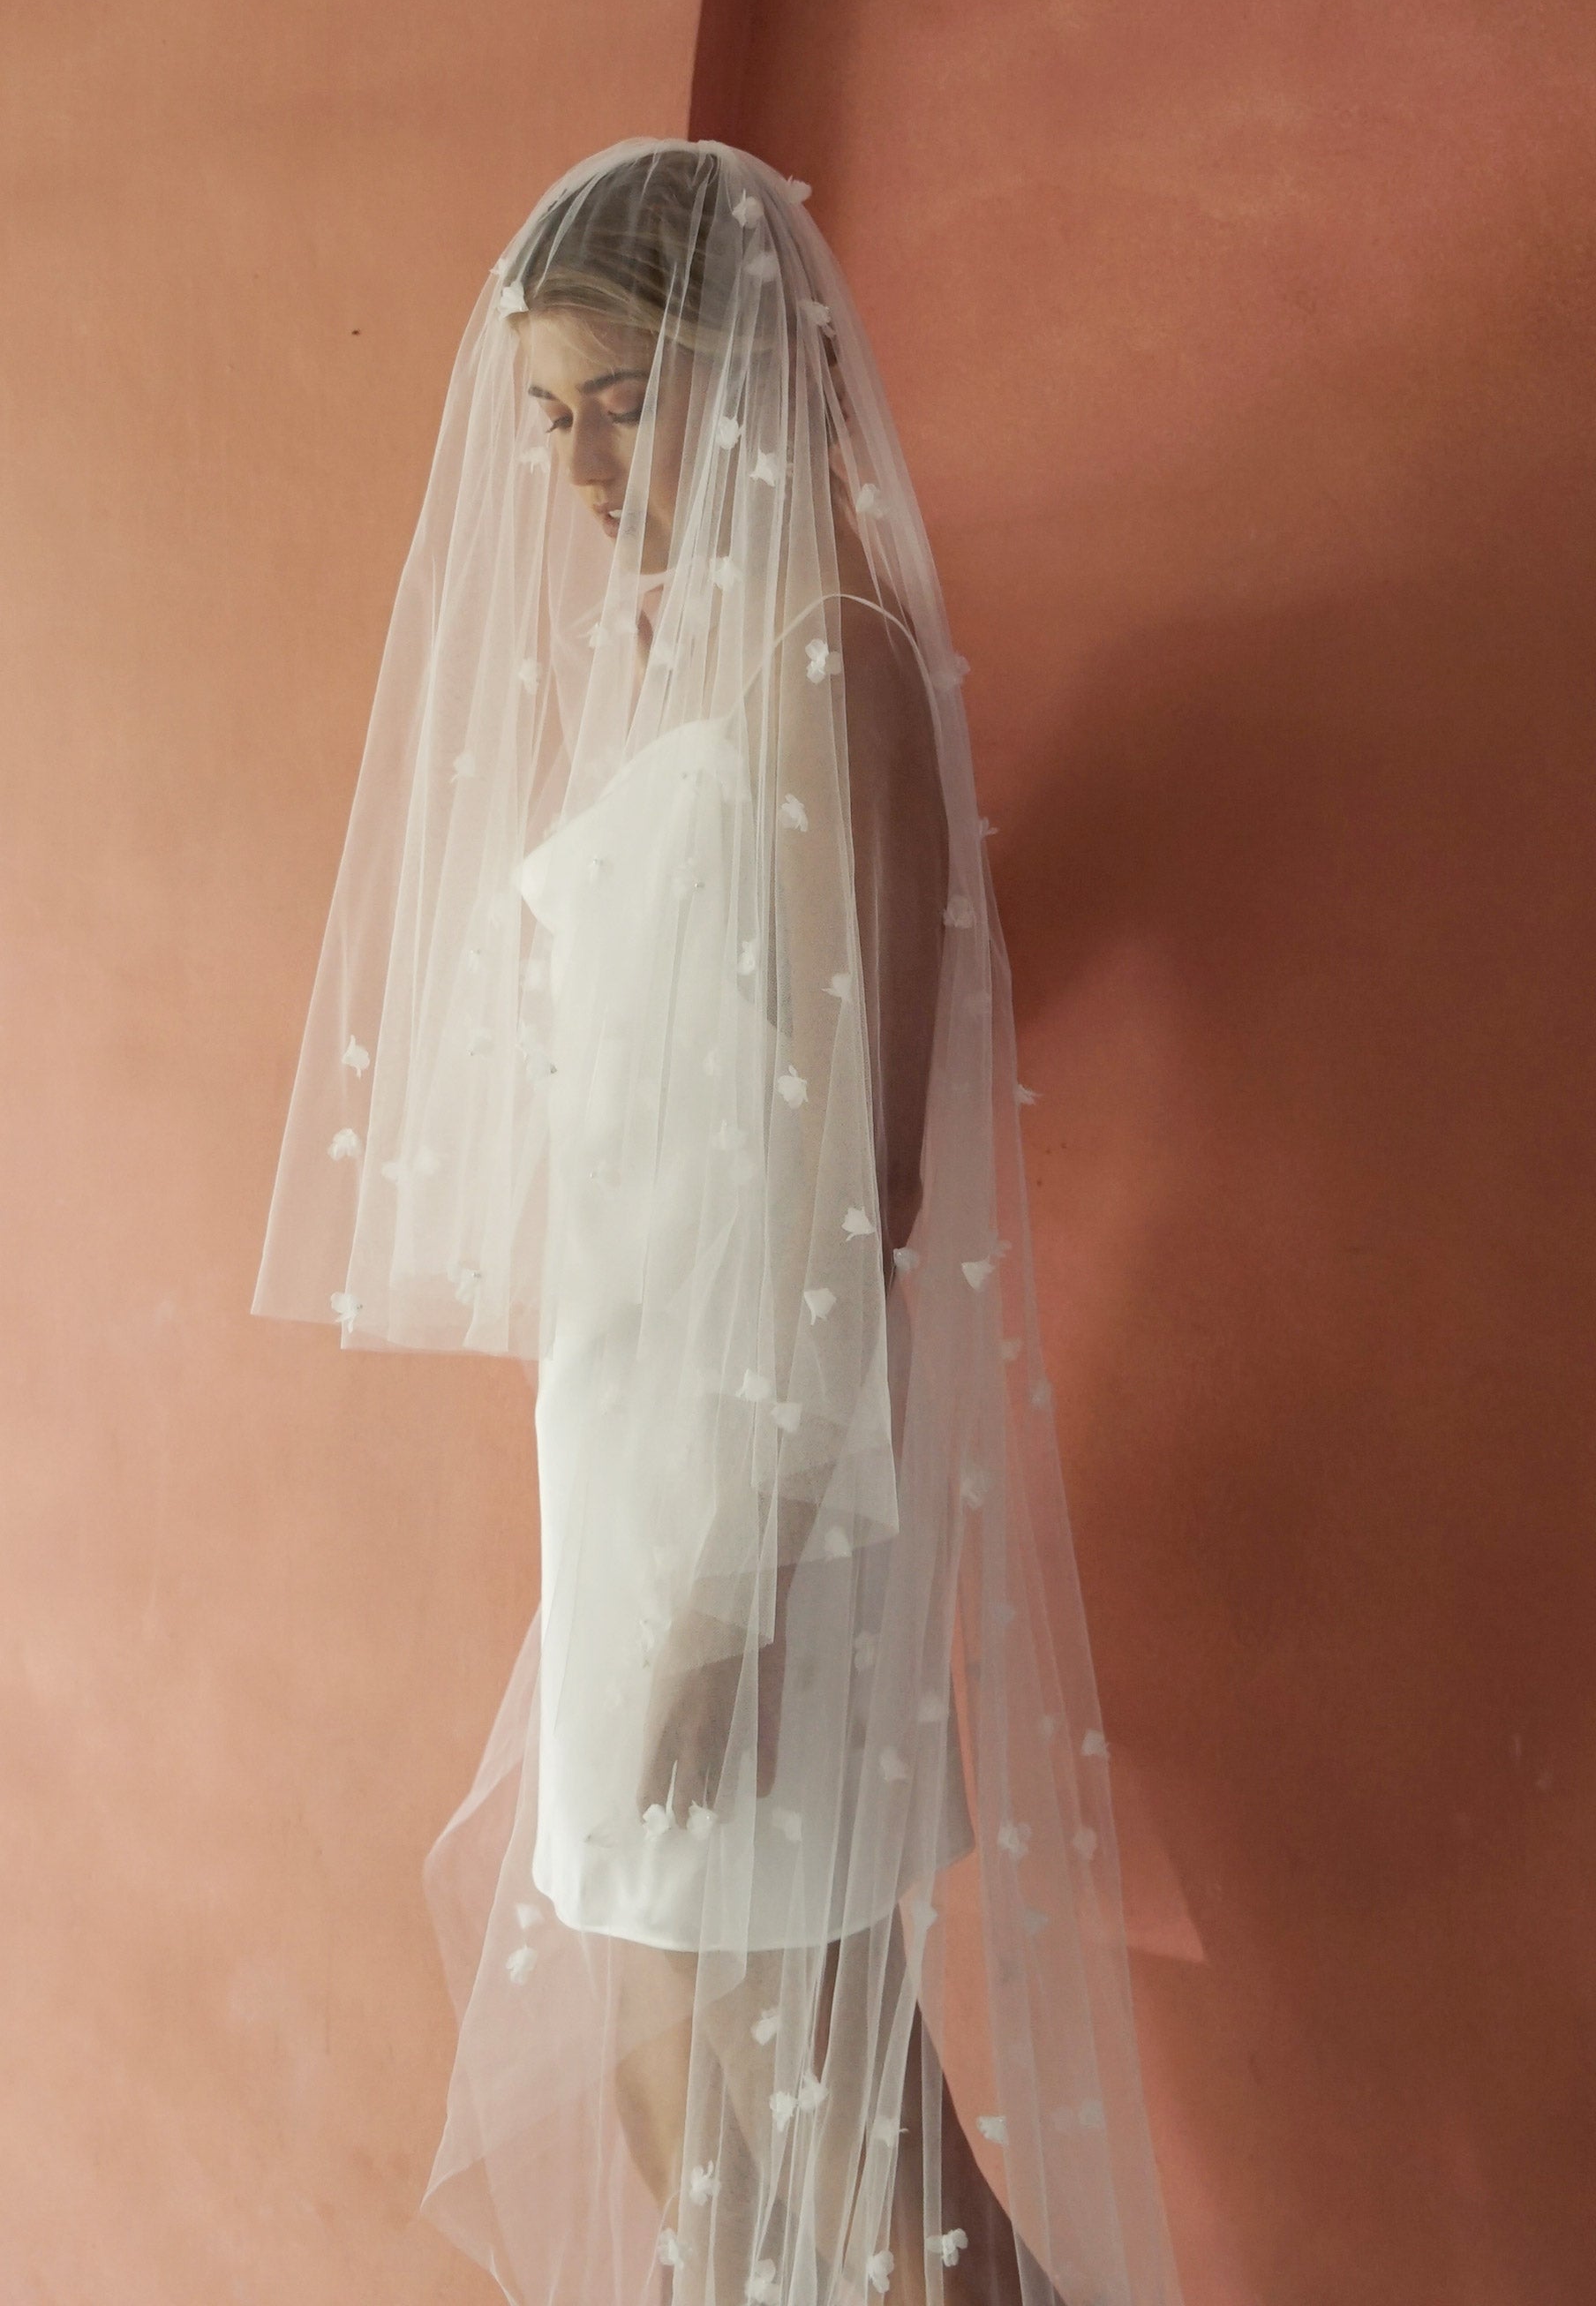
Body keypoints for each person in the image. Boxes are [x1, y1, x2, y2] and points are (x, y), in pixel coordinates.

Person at [252, 139, 1179, 2306]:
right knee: (693, 2130)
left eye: (623, 398)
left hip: (769, 1509)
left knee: (875, 2184)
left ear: (747, 370)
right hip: (643, 1469)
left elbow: (860, 1177)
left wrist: (738, 1586)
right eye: (547, 415)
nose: (578, 465)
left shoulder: (823, 660)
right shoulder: (686, 661)